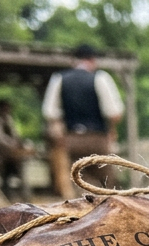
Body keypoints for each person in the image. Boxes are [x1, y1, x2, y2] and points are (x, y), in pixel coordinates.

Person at [43, 44, 124, 196]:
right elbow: (115, 113)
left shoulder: (59, 78)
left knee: (77, 183)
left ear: (74, 60)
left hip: (71, 139)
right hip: (98, 139)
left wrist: (60, 134)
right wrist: (112, 130)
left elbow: (50, 113)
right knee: (105, 186)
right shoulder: (100, 77)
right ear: (93, 59)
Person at [0, 99, 29, 199]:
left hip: (13, 154)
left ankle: (23, 195)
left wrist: (20, 143)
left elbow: (15, 134)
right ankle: (5, 195)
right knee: (4, 175)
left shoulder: (9, 120)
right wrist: (11, 144)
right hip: (1, 154)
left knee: (20, 171)